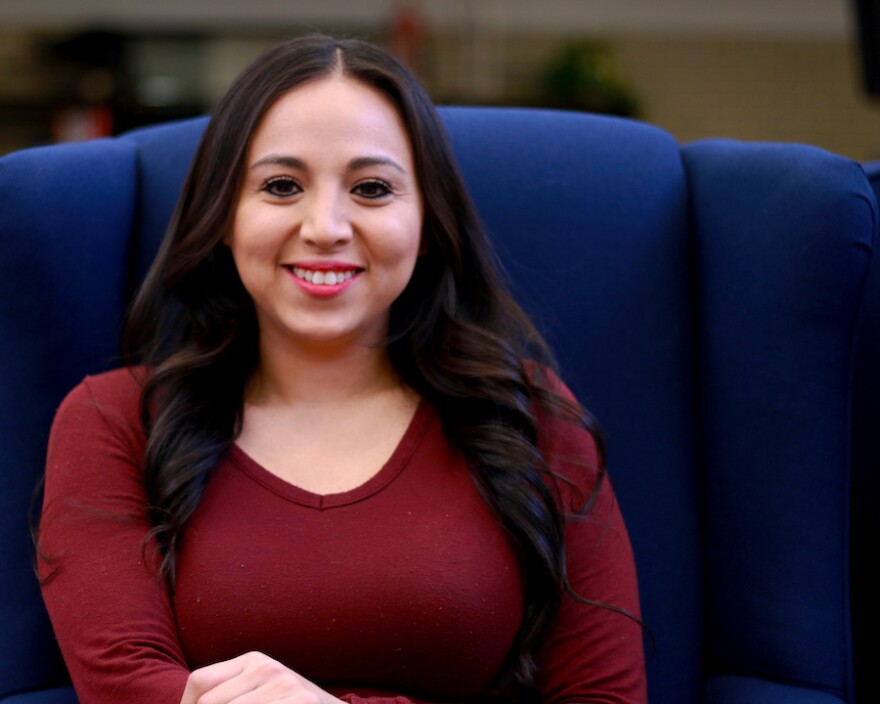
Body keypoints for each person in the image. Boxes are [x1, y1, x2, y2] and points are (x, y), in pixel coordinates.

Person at [37, 35, 646, 704]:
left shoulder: (529, 416)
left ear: (428, 219)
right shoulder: (113, 418)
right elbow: (126, 684)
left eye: (372, 188)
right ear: (223, 218)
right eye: (281, 185)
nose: (325, 225)